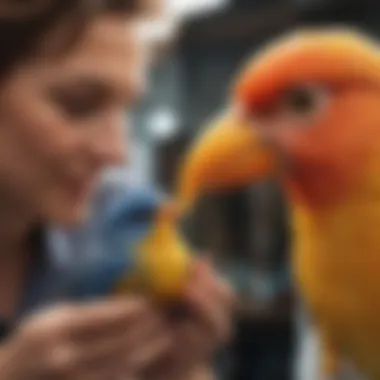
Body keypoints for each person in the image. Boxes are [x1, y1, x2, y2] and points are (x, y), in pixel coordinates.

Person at [0, 1, 233, 380]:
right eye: (78, 106)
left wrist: (173, 370)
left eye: (125, 111)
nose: (117, 152)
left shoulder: (120, 227)